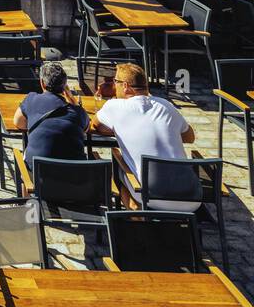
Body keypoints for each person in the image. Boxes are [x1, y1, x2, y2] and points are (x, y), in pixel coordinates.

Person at [93, 63, 196, 209]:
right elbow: (189, 137)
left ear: (126, 86)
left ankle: (136, 215)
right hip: (191, 197)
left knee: (118, 166)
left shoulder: (114, 106)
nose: (114, 86)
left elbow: (94, 126)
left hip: (152, 198)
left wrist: (121, 130)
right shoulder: (166, 105)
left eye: (116, 82)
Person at [12, 60, 89, 169]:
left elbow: (18, 123)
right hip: (74, 177)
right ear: (64, 86)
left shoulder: (31, 99)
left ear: (42, 83)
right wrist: (71, 98)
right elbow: (85, 129)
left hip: (40, 174)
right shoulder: (79, 112)